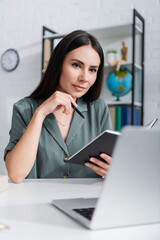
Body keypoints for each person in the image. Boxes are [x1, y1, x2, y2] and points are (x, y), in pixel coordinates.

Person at [4, 30, 113, 183]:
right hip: (36, 204)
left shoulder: (98, 109)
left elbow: (112, 166)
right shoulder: (24, 109)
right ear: (58, 64)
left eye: (92, 70)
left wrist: (113, 170)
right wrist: (40, 114)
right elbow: (16, 174)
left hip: (84, 203)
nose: (84, 78)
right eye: (76, 65)